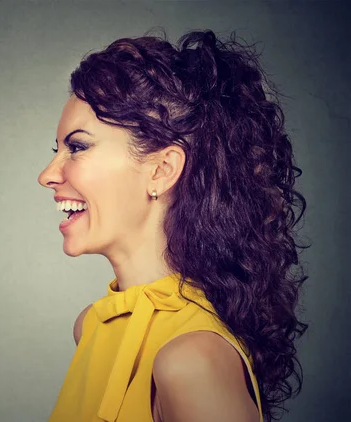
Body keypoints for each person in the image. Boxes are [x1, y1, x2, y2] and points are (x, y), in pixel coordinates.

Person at [37, 29, 308, 422]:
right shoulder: (93, 326)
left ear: (162, 170)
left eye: (77, 147)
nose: (47, 174)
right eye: (56, 150)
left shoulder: (192, 360)